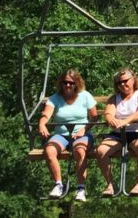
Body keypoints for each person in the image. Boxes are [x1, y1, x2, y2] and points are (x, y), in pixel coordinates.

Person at [38, 69, 98, 201]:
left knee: (80, 151)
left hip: (81, 133)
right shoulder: (55, 98)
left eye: (71, 83)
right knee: (49, 150)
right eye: (65, 82)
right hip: (62, 134)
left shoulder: (85, 95)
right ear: (61, 83)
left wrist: (84, 128)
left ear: (77, 83)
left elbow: (94, 117)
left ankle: (81, 188)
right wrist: (42, 124)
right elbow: (46, 114)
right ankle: (58, 184)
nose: (68, 85)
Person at [95, 69, 138, 197]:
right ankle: (110, 184)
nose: (122, 85)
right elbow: (109, 112)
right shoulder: (114, 98)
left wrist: (125, 121)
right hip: (119, 134)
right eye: (119, 83)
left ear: (133, 79)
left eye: (125, 81)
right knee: (101, 151)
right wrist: (111, 119)